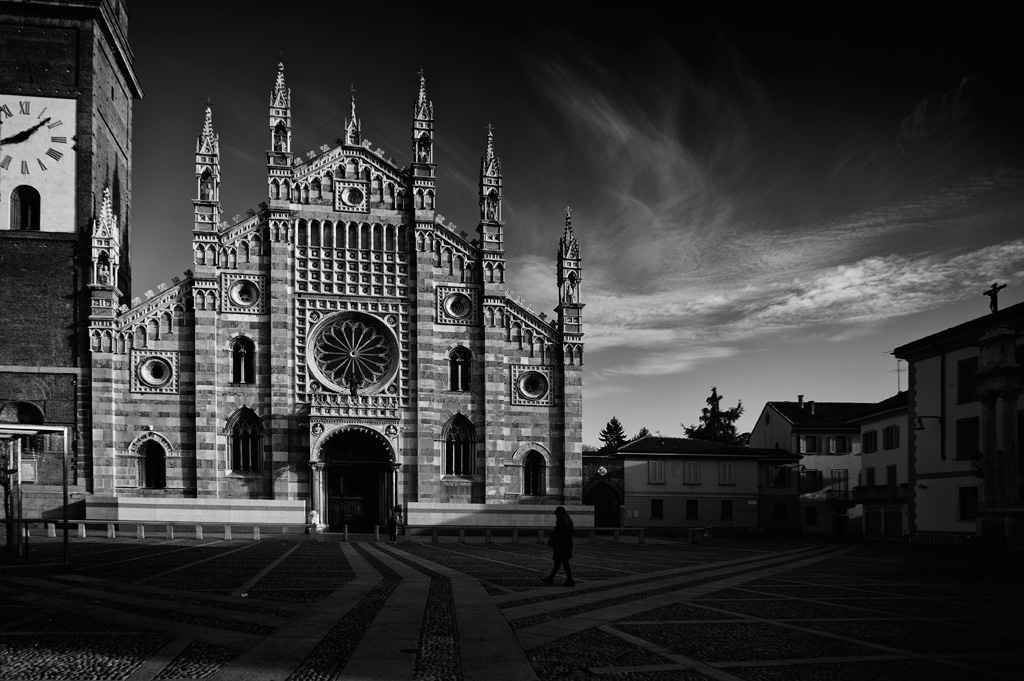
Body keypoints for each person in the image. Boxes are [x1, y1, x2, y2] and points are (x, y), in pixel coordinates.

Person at [541, 506, 575, 586]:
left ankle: (568, 580)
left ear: (559, 514)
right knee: (561, 562)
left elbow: (559, 532)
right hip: (567, 543)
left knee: (561, 562)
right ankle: (552, 578)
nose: (556, 516)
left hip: (561, 544)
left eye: (557, 514)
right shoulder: (569, 520)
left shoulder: (561, 520)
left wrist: (552, 535)